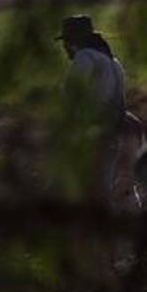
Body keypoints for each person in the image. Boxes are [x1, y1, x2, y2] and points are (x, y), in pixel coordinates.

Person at [57, 15, 129, 203]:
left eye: (66, 41)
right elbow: (121, 104)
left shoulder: (84, 57)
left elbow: (72, 97)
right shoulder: (114, 63)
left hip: (89, 132)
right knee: (107, 186)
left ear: (72, 41)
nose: (65, 47)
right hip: (113, 129)